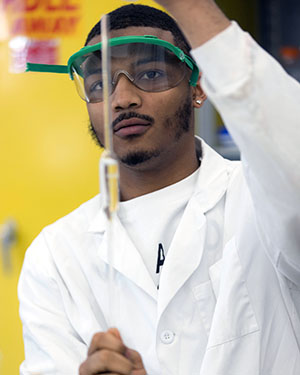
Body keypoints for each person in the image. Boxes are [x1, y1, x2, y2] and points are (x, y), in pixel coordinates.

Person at [18, 0, 300, 374]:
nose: (122, 99)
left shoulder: (260, 201)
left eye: (150, 74)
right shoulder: (55, 256)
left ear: (197, 87)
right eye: (101, 83)